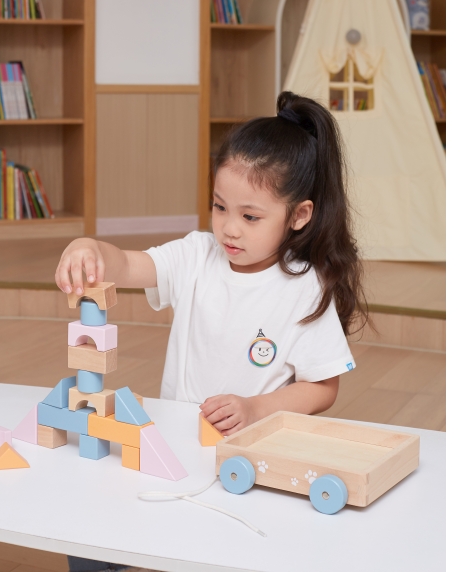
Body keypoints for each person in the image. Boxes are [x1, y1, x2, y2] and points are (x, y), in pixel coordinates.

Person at [57, 92, 366, 571]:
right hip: (172, 444)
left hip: (246, 460)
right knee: (88, 539)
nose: (229, 229)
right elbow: (127, 265)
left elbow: (324, 386)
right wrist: (88, 247)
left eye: (250, 216)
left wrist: (256, 407)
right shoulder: (197, 255)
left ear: (299, 215)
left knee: (219, 549)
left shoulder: (304, 288)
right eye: (220, 207)